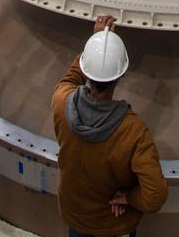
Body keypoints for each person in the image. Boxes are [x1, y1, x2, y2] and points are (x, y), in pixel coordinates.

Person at [52, 14, 168, 237]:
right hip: (113, 225)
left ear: (86, 70)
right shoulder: (133, 132)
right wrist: (128, 198)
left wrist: (95, 42)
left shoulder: (61, 102)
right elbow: (155, 196)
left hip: (75, 217)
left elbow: (70, 79)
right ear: (120, 76)